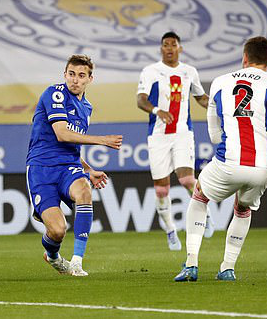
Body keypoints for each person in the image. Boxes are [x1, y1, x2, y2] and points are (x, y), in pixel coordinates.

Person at [174, 36, 267, 282]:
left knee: (199, 195)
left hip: (229, 161)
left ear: (244, 58)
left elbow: (214, 131)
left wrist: (223, 139)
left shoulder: (220, 82)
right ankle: (227, 268)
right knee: (242, 208)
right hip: (262, 167)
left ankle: (191, 264)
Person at [26, 54, 123, 277]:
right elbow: (61, 134)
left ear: (90, 79)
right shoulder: (55, 93)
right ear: (64, 74)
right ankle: (52, 256)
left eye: (81, 75)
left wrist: (88, 170)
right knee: (58, 230)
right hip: (41, 168)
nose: (75, 80)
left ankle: (77, 262)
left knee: (84, 190)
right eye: (71, 74)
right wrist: (102, 140)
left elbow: (72, 146)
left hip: (68, 167)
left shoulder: (86, 107)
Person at [137, 31, 214, 251]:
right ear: (161, 49)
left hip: (182, 133)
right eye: (165, 45)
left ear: (180, 48)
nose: (169, 48)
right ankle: (170, 229)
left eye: (173, 44)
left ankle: (205, 217)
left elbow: (200, 97)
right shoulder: (151, 71)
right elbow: (140, 100)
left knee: (188, 180)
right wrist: (156, 110)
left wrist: (219, 107)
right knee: (162, 190)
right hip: (158, 136)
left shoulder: (189, 72)